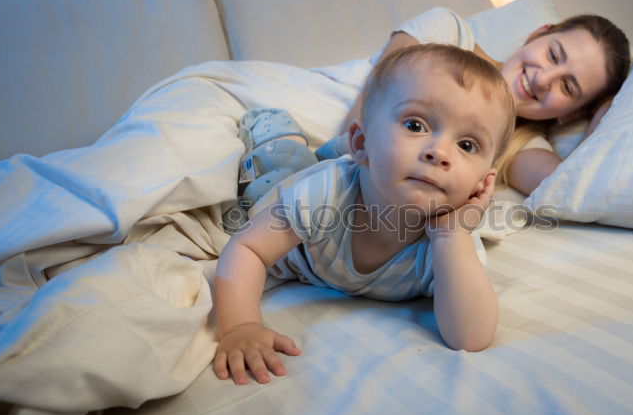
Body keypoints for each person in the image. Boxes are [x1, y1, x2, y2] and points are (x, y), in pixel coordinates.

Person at [212, 43, 516, 385]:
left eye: (467, 145)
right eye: (415, 125)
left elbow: (470, 337)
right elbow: (247, 248)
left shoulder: (454, 242)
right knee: (275, 168)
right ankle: (276, 125)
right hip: (298, 192)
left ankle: (332, 148)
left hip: (367, 177)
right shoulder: (325, 194)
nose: (440, 153)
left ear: (483, 182)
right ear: (363, 142)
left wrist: (451, 236)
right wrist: (240, 325)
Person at [333, 12, 631, 196]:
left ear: (573, 113)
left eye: (567, 86)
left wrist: (605, 115)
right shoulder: (446, 32)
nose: (543, 80)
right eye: (552, 55)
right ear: (538, 34)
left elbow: (570, 189)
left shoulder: (518, 144)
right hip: (296, 115)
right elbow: (354, 137)